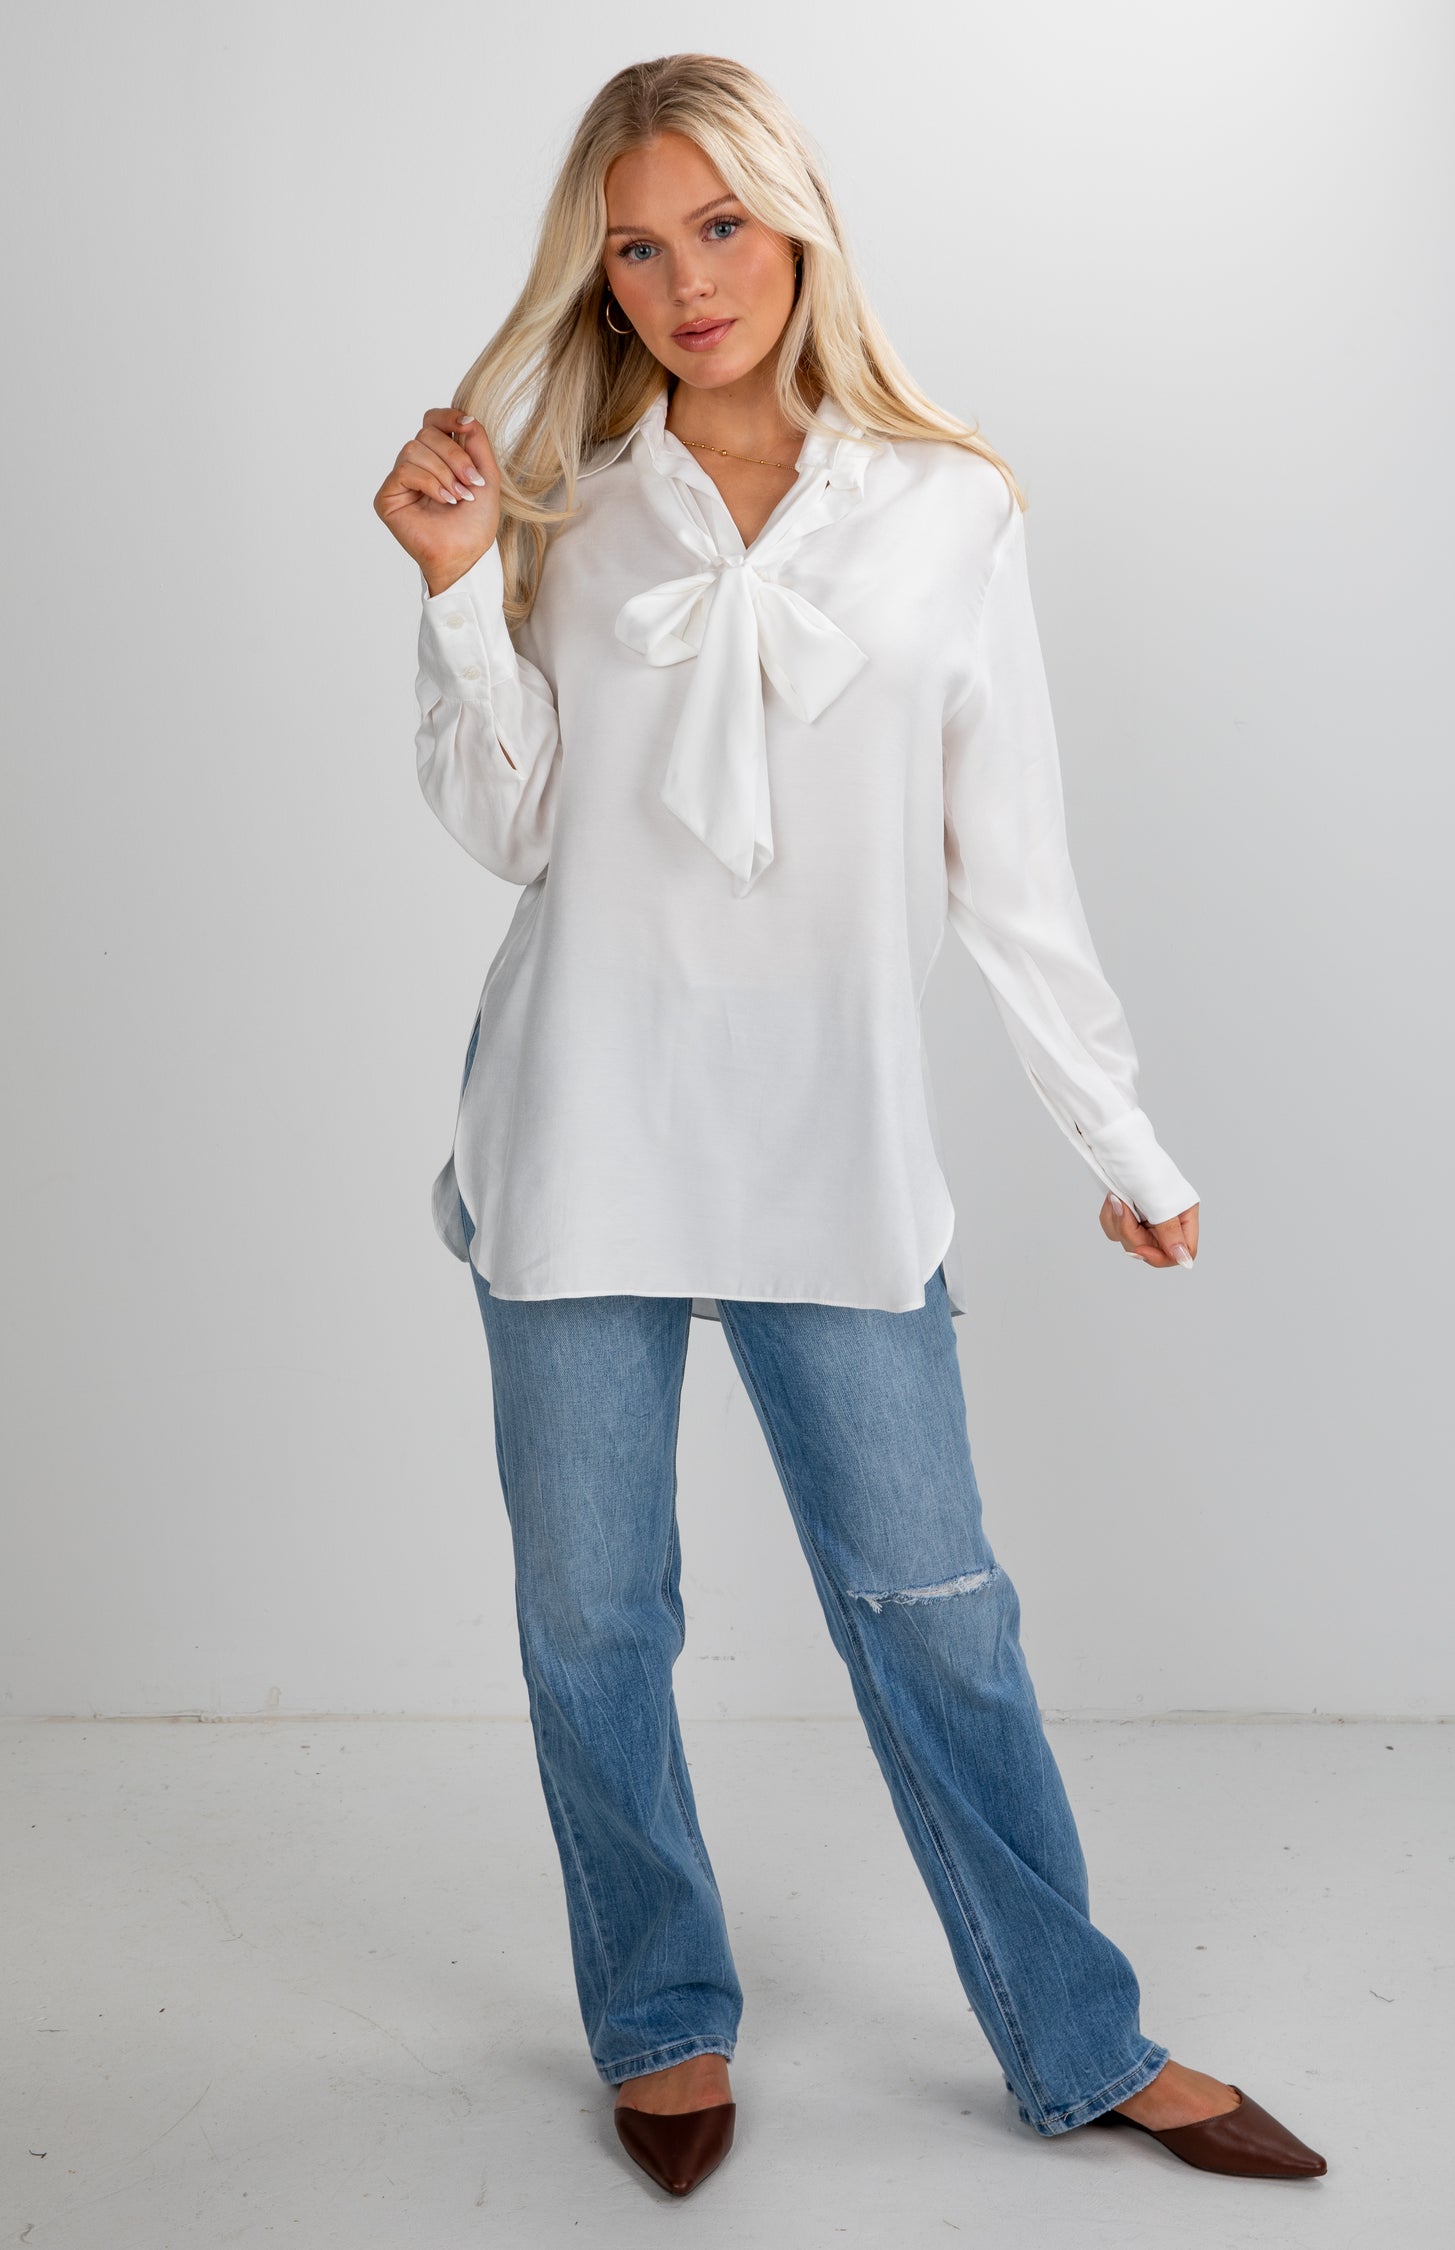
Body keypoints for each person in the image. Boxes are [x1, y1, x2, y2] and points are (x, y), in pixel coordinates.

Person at [372, 52, 1327, 2202]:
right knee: (594, 1619)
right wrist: (451, 585)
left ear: (797, 221)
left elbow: (1013, 862)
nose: (687, 282)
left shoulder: (949, 505)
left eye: (719, 225)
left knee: (936, 1608)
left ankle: (1082, 2038)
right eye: (637, 247)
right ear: (597, 276)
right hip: (580, 1132)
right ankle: (660, 2016)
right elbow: (515, 826)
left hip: (835, 1141)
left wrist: (1121, 1139)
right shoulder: (563, 490)